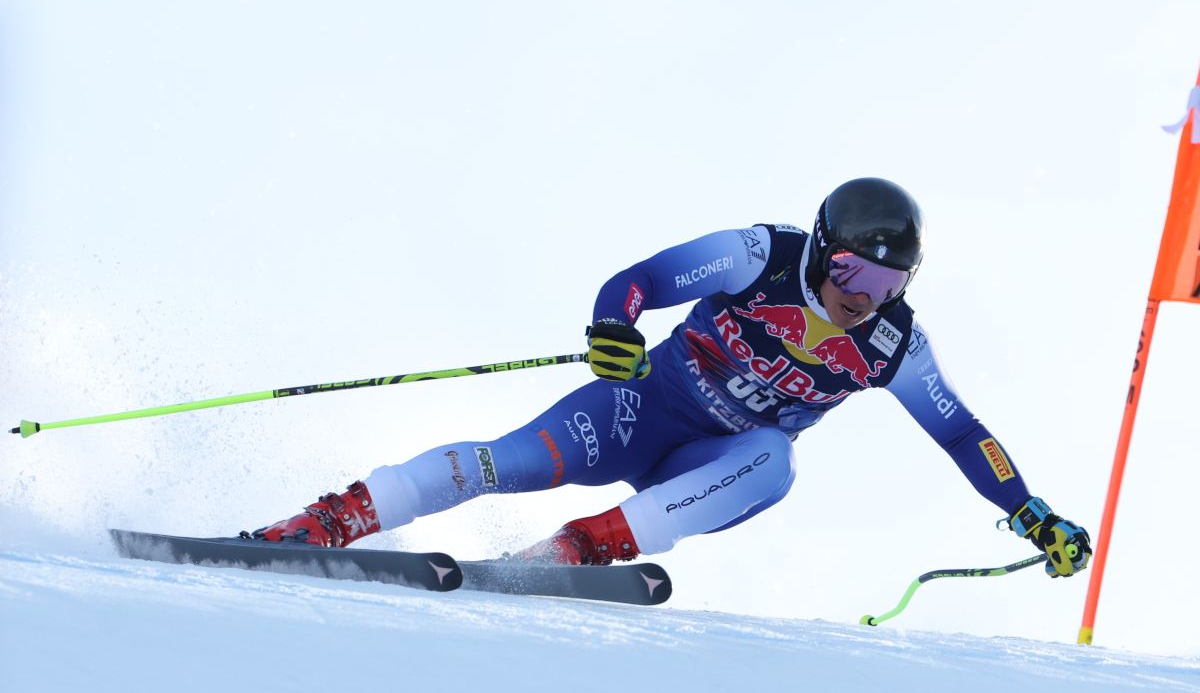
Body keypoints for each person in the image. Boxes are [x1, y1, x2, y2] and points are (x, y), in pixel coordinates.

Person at [251, 178, 1092, 579]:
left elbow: (961, 433)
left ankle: (578, 551)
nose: (857, 301)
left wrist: (1030, 512)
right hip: (638, 408)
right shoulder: (764, 254)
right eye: (849, 275)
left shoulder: (895, 347)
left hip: (708, 465)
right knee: (502, 463)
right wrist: (616, 327)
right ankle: (332, 519)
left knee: (776, 460)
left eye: (884, 289)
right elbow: (641, 280)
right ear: (823, 242)